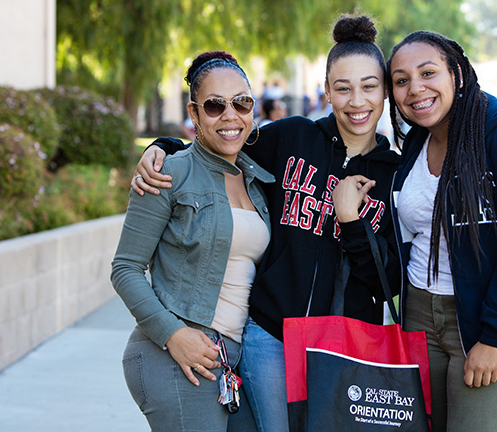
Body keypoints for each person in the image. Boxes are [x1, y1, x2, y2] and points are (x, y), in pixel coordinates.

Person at [130, 15, 399, 432]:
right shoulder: (291, 138)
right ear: (326, 91)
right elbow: (220, 140)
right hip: (269, 337)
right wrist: (162, 148)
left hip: (343, 348)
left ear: (385, 91)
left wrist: (351, 223)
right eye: (343, 88)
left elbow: (390, 280)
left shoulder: (395, 175)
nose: (357, 101)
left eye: (369, 86)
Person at [386, 31, 497, 431]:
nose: (416, 89)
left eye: (428, 72)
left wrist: (496, 335)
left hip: (489, 321)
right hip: (418, 315)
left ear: (457, 74)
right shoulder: (416, 141)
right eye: (401, 80)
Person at [111, 51, 272, 432]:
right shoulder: (168, 174)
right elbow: (125, 269)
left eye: (242, 103)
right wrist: (173, 335)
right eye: (215, 106)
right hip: (176, 353)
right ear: (195, 114)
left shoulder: (259, 179)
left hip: (234, 358)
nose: (230, 116)